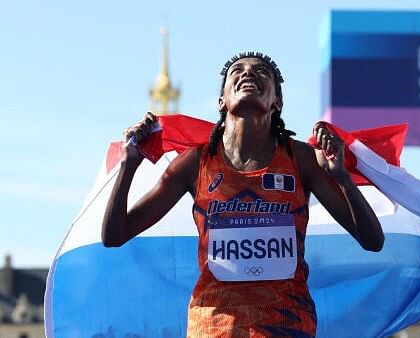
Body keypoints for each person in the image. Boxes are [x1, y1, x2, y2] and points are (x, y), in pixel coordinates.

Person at [102, 52, 384, 337]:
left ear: (277, 102)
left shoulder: (302, 159)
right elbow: (114, 235)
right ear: (221, 101)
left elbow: (373, 241)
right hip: (213, 327)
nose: (248, 73)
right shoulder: (195, 162)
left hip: (286, 326)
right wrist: (130, 163)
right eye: (237, 70)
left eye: (261, 71)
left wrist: (343, 179)